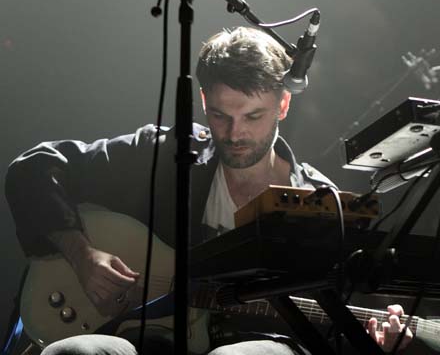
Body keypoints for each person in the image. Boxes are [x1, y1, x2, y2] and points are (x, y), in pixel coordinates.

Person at [5, 27, 412, 354]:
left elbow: (325, 314)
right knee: (78, 351)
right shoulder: (166, 153)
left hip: (249, 344)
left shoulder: (321, 203)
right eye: (220, 115)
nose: (235, 134)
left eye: (253, 116)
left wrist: (374, 339)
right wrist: (83, 255)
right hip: (134, 335)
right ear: (202, 100)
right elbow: (33, 169)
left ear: (283, 105)